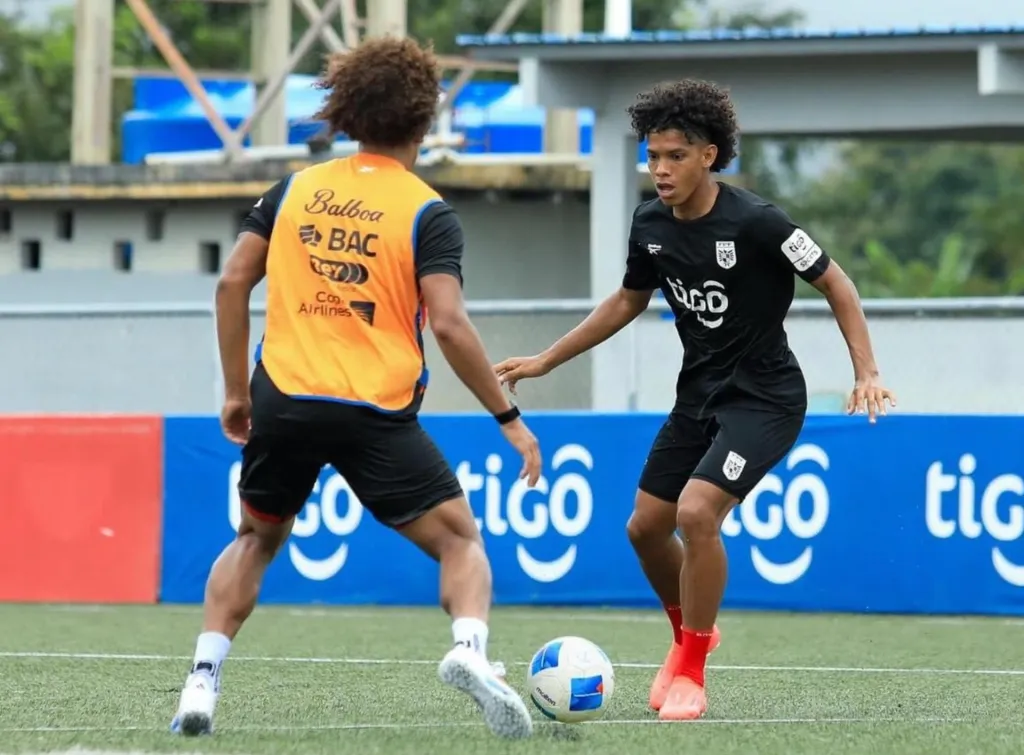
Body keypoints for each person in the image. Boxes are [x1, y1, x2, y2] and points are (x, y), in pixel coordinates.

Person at [171, 37, 540, 740]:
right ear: (425, 119)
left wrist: (236, 392)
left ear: (344, 112)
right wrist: (507, 416)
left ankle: (201, 682)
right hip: (375, 410)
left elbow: (231, 282)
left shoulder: (294, 189)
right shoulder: (427, 211)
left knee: (255, 537)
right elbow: (450, 324)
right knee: (461, 540)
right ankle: (469, 650)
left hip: (284, 397)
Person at [493, 79, 895, 722]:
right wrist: (546, 359)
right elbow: (627, 301)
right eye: (652, 156)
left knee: (697, 512)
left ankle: (691, 669)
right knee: (645, 528)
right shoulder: (649, 224)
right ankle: (690, 634)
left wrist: (866, 372)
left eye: (675, 156)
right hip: (697, 399)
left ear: (709, 156)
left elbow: (837, 284)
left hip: (765, 400)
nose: (660, 169)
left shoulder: (758, 222)